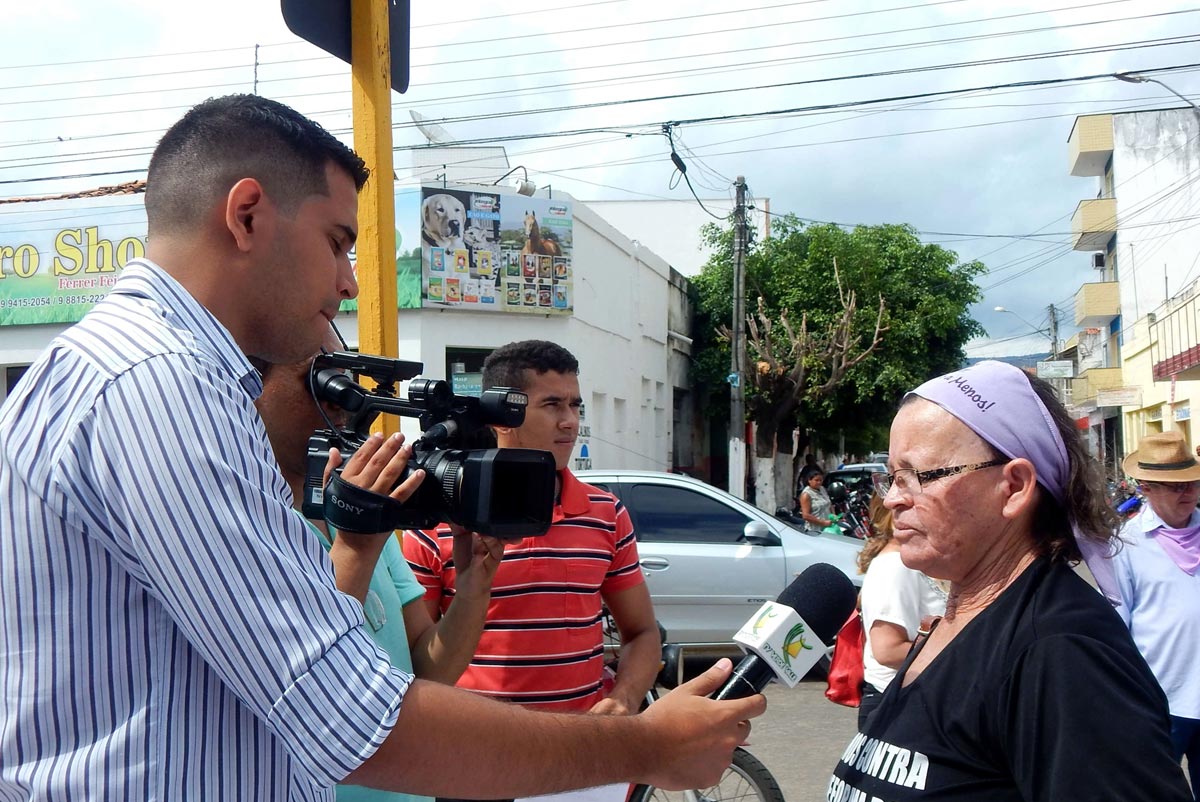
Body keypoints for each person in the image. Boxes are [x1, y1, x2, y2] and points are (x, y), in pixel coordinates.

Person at [0, 94, 763, 801]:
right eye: (338, 244)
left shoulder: (127, 372)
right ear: (247, 215)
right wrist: (643, 746)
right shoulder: (160, 386)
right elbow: (350, 719)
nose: (351, 283)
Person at [827, 360, 1192, 801]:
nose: (892, 498)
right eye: (892, 476)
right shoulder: (960, 621)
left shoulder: (1061, 652)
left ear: (1014, 486)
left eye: (918, 475)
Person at [252, 327, 506, 802]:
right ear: (251, 389)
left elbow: (426, 671)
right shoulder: (251, 524)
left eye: (348, 380)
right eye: (319, 379)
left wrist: (473, 588)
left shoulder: (370, 520)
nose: (340, 399)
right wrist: (355, 545)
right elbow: (311, 680)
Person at [403, 340, 662, 719]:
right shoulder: (438, 518)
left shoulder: (606, 513)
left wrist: (624, 697)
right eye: (552, 404)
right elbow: (415, 662)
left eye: (575, 405)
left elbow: (642, 632)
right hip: (472, 752)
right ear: (501, 415)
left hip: (581, 750)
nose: (570, 421)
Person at [1110, 431, 1200, 797]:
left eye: (1192, 483)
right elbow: (1118, 628)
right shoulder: (1127, 544)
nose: (1189, 493)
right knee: (1154, 791)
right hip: (1163, 699)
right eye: (1175, 487)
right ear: (1145, 487)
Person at [854, 497, 946, 730]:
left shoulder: (907, 563)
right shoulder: (895, 566)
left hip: (907, 698)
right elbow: (887, 650)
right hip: (896, 703)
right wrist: (959, 650)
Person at [796, 467, 834, 533]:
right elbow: (806, 515)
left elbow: (829, 504)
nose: (819, 482)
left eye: (821, 480)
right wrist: (822, 522)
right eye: (816, 480)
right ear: (809, 480)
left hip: (828, 527)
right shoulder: (806, 494)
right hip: (815, 530)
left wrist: (834, 515)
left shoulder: (822, 489)